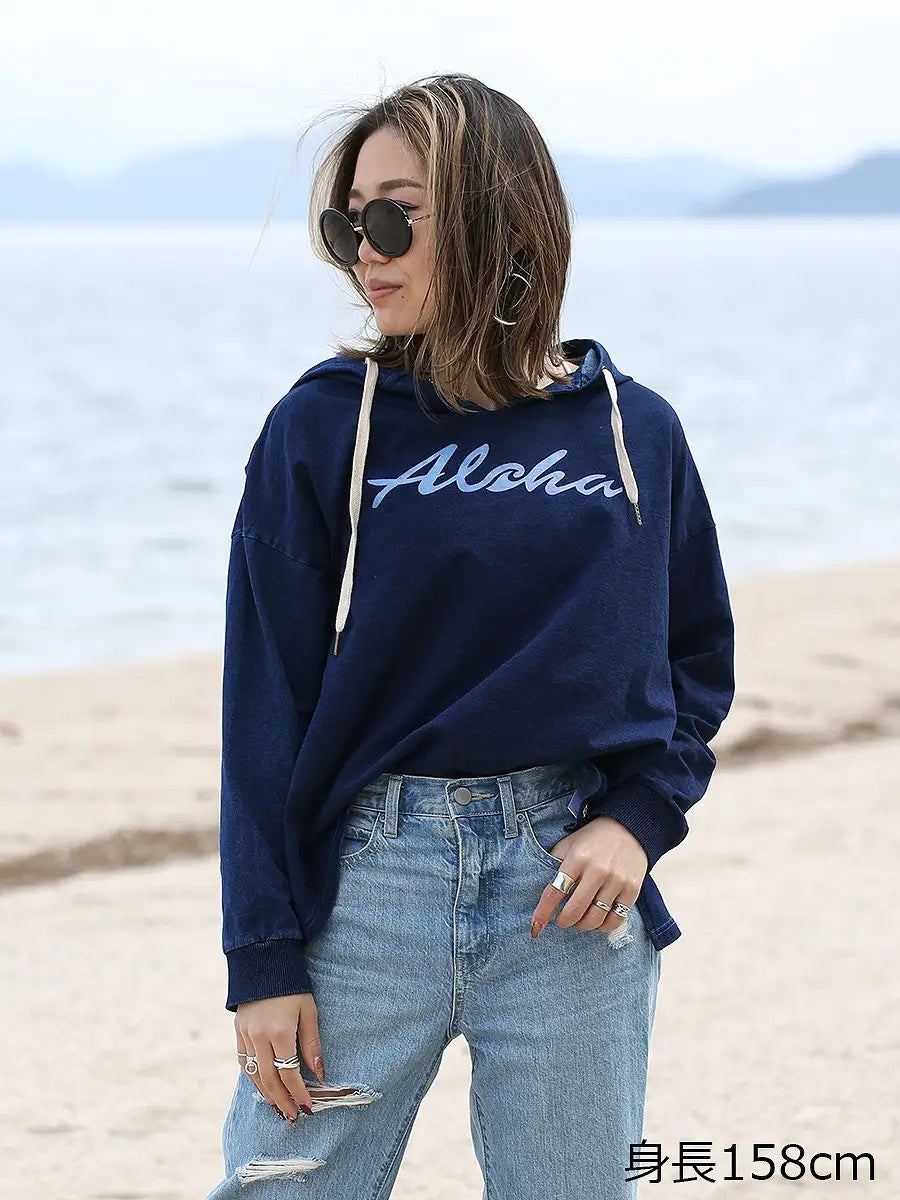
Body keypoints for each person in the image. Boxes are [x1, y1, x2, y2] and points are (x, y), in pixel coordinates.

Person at [204, 72, 735, 1199]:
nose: (366, 248)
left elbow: (696, 659)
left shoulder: (632, 430)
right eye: (349, 221)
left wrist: (638, 820)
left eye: (396, 215)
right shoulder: (325, 425)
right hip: (366, 884)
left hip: (569, 894)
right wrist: (262, 954)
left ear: (500, 214)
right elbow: (262, 701)